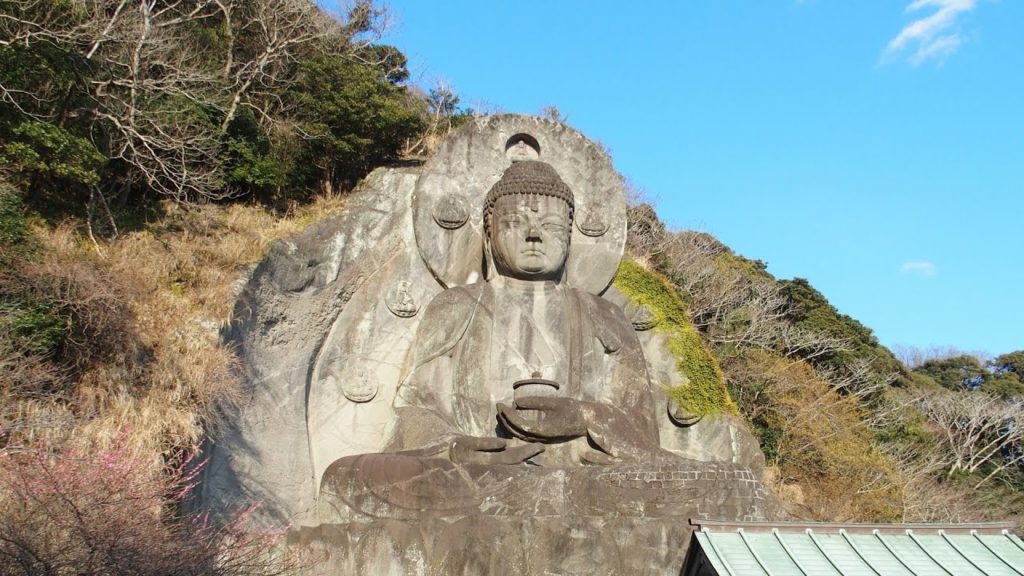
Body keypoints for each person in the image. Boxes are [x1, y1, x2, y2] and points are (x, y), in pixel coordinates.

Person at [383, 160, 666, 467]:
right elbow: (411, 409)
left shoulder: (605, 313)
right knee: (345, 475)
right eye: (515, 223)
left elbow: (642, 434)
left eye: (551, 226)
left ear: (569, 236)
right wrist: (454, 448)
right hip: (479, 476)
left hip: (581, 474)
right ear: (490, 233)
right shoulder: (457, 304)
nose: (534, 235)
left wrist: (586, 417)